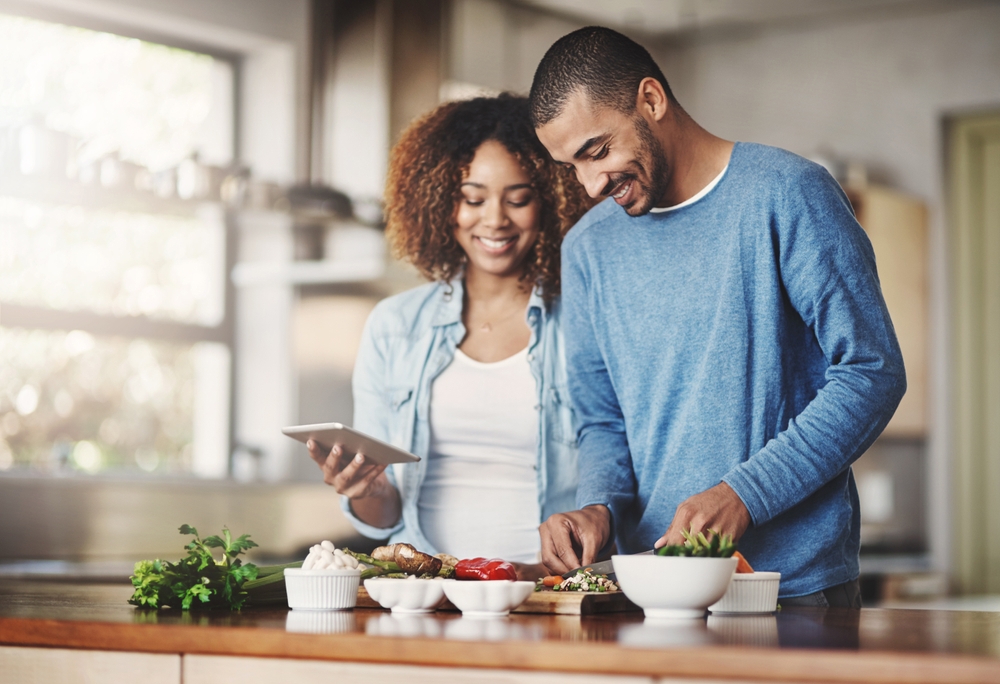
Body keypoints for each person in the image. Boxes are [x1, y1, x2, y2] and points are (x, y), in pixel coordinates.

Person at [528, 27, 906, 606]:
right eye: (569, 167)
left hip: (791, 590)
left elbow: (871, 371)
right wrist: (598, 506)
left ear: (651, 100)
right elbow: (602, 421)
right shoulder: (586, 249)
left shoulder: (788, 194)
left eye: (597, 151)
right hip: (649, 588)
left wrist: (744, 494)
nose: (589, 184)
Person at [307, 95, 590, 578]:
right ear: (441, 202)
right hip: (423, 596)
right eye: (472, 198)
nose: (495, 219)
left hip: (544, 593)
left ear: (550, 201)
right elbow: (384, 520)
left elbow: (613, 482)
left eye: (518, 198)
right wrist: (367, 489)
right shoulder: (394, 327)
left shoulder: (585, 322)